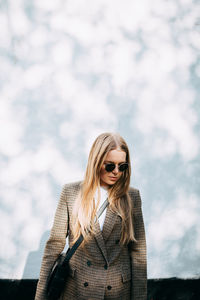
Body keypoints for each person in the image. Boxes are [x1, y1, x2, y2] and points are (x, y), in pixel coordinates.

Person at [34, 132, 147, 300]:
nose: (116, 172)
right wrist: (41, 296)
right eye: (110, 166)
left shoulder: (132, 197)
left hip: (116, 292)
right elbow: (54, 246)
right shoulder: (71, 193)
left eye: (122, 166)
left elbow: (138, 253)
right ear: (96, 162)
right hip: (77, 290)